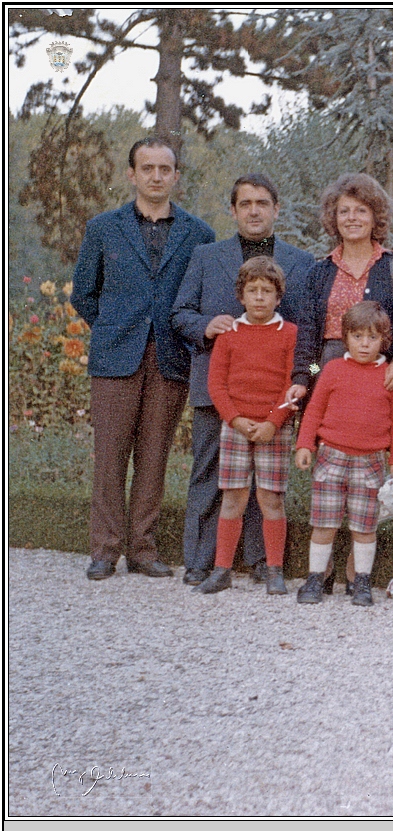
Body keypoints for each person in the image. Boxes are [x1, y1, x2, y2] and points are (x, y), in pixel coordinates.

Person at [71, 137, 216, 581]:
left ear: (176, 176)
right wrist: (116, 327)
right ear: (132, 174)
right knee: (110, 456)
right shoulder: (103, 228)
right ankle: (104, 549)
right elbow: (83, 294)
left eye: (164, 169)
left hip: (171, 357)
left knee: (154, 457)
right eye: (147, 168)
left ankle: (143, 549)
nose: (156, 176)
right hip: (116, 356)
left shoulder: (198, 233)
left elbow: (198, 298)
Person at [172, 173, 315, 587]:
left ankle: (259, 561)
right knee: (211, 475)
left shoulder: (301, 261)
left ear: (276, 209)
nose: (254, 210)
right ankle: (202, 559)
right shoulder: (206, 256)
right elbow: (179, 312)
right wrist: (206, 324)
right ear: (233, 210)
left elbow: (304, 328)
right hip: (219, 390)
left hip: (273, 396)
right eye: (245, 203)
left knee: (266, 486)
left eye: (262, 202)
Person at [285, 173, 393, 594]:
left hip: (379, 371)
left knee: (367, 473)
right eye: (344, 211)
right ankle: (318, 571)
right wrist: (303, 379)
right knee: (330, 473)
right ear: (333, 218)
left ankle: (355, 569)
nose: (352, 218)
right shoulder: (319, 270)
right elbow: (307, 330)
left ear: (375, 216)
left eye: (361, 210)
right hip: (328, 371)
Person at [193, 257, 297, 596]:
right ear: (241, 296)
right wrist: (235, 419)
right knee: (233, 499)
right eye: (252, 291)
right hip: (236, 427)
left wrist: (274, 421)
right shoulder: (229, 335)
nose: (259, 298)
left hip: (273, 428)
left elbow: (302, 374)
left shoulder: (290, 334)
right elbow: (216, 384)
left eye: (267, 291)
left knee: (271, 500)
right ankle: (222, 569)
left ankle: (275, 569)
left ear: (278, 297)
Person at [293, 301, 393, 607]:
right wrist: (305, 444)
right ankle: (315, 577)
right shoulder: (330, 369)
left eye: (372, 338)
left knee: (364, 526)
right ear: (345, 338)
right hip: (331, 457)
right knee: (324, 523)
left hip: (370, 462)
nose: (364, 344)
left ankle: (361, 581)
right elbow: (314, 410)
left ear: (383, 340)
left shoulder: (390, 375)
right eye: (357, 337)